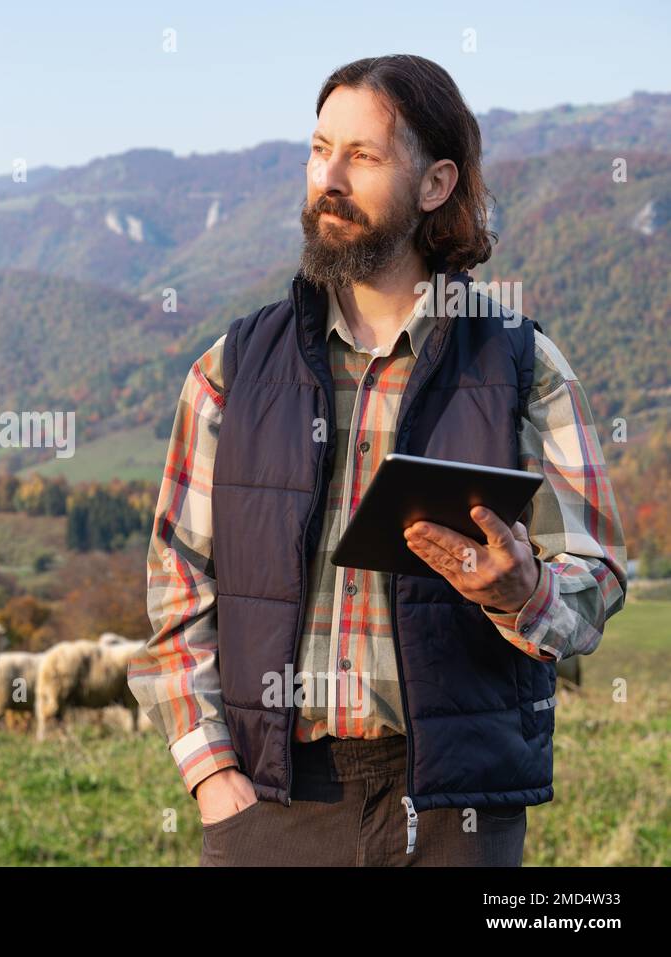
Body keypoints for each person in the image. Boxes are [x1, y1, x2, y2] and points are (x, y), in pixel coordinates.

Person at [127, 54, 627, 867]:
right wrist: (214, 778)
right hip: (274, 804)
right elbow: (177, 588)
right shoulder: (232, 368)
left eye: (362, 157)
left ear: (435, 185)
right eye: (319, 149)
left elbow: (598, 577)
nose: (329, 176)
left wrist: (525, 592)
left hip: (455, 814)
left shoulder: (523, 365)